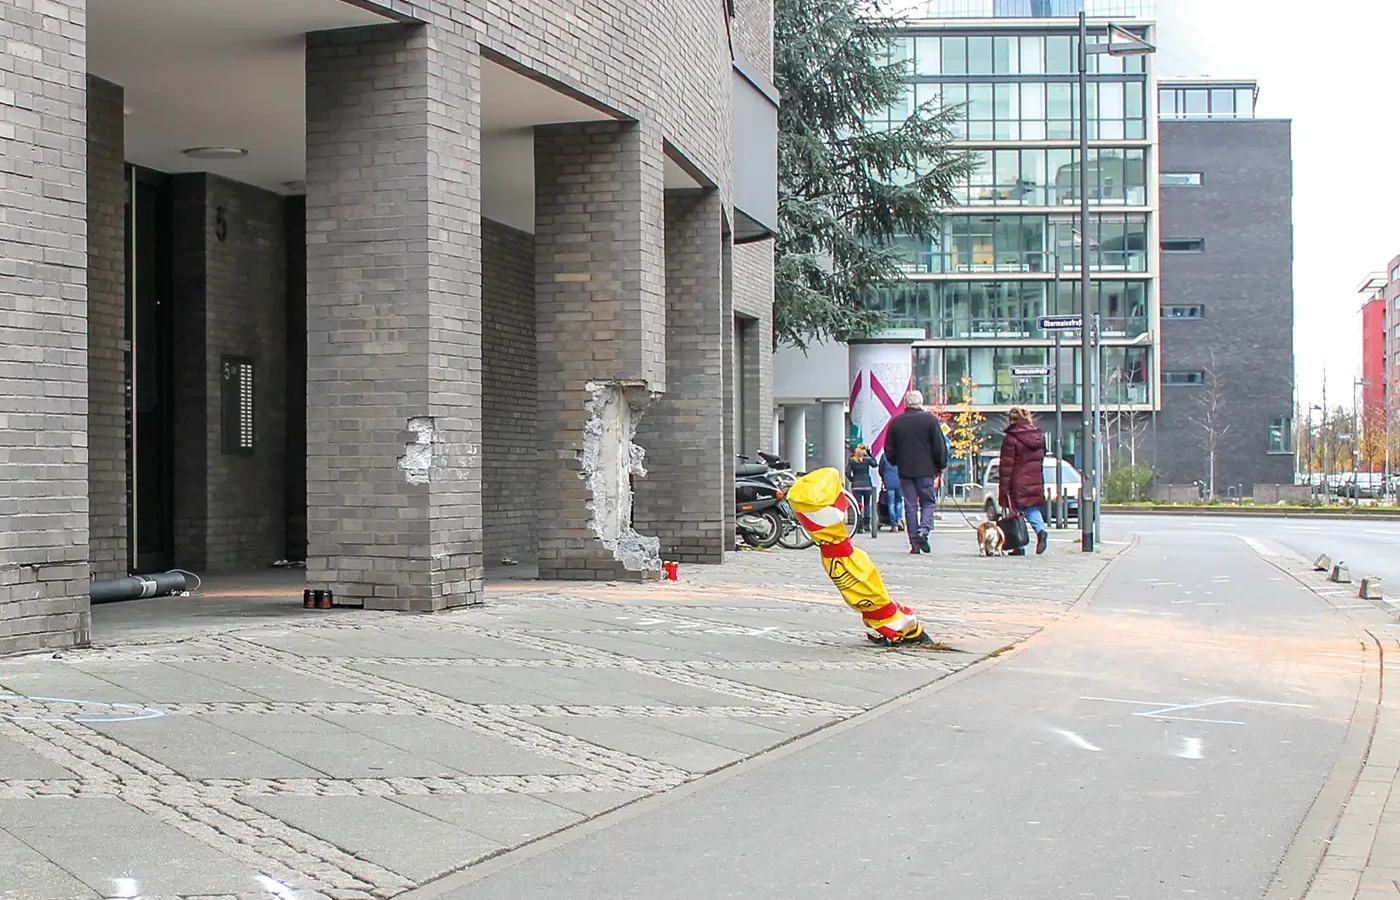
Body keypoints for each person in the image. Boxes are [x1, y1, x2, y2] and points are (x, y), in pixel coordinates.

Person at [884, 390, 948, 554]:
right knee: (928, 501)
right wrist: (940, 465)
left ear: (906, 404)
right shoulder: (930, 420)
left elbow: (889, 449)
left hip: (905, 470)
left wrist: (896, 462)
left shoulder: (896, 422)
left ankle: (914, 541)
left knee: (910, 505)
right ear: (921, 402)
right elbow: (939, 446)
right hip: (926, 470)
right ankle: (923, 531)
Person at [999, 406, 1049, 556]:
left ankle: (1018, 545)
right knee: (1032, 508)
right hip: (1035, 478)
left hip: (1017, 479)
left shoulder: (1011, 438)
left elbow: (1007, 465)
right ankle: (1041, 531)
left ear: (1011, 419)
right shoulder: (1039, 437)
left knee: (1016, 511)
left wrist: (1004, 488)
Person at [846, 443, 878, 532]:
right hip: (867, 484)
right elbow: (875, 464)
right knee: (867, 504)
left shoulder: (852, 460)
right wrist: (870, 454)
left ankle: (859, 525)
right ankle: (867, 524)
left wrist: (852, 480)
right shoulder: (867, 460)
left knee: (858, 505)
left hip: (856, 485)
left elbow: (847, 472)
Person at [878, 451, 904, 531]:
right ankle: (899, 519)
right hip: (899, 480)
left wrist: (884, 477)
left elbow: (881, 469)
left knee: (891, 503)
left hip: (889, 482)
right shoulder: (901, 455)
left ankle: (894, 524)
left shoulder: (884, 456)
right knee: (899, 501)